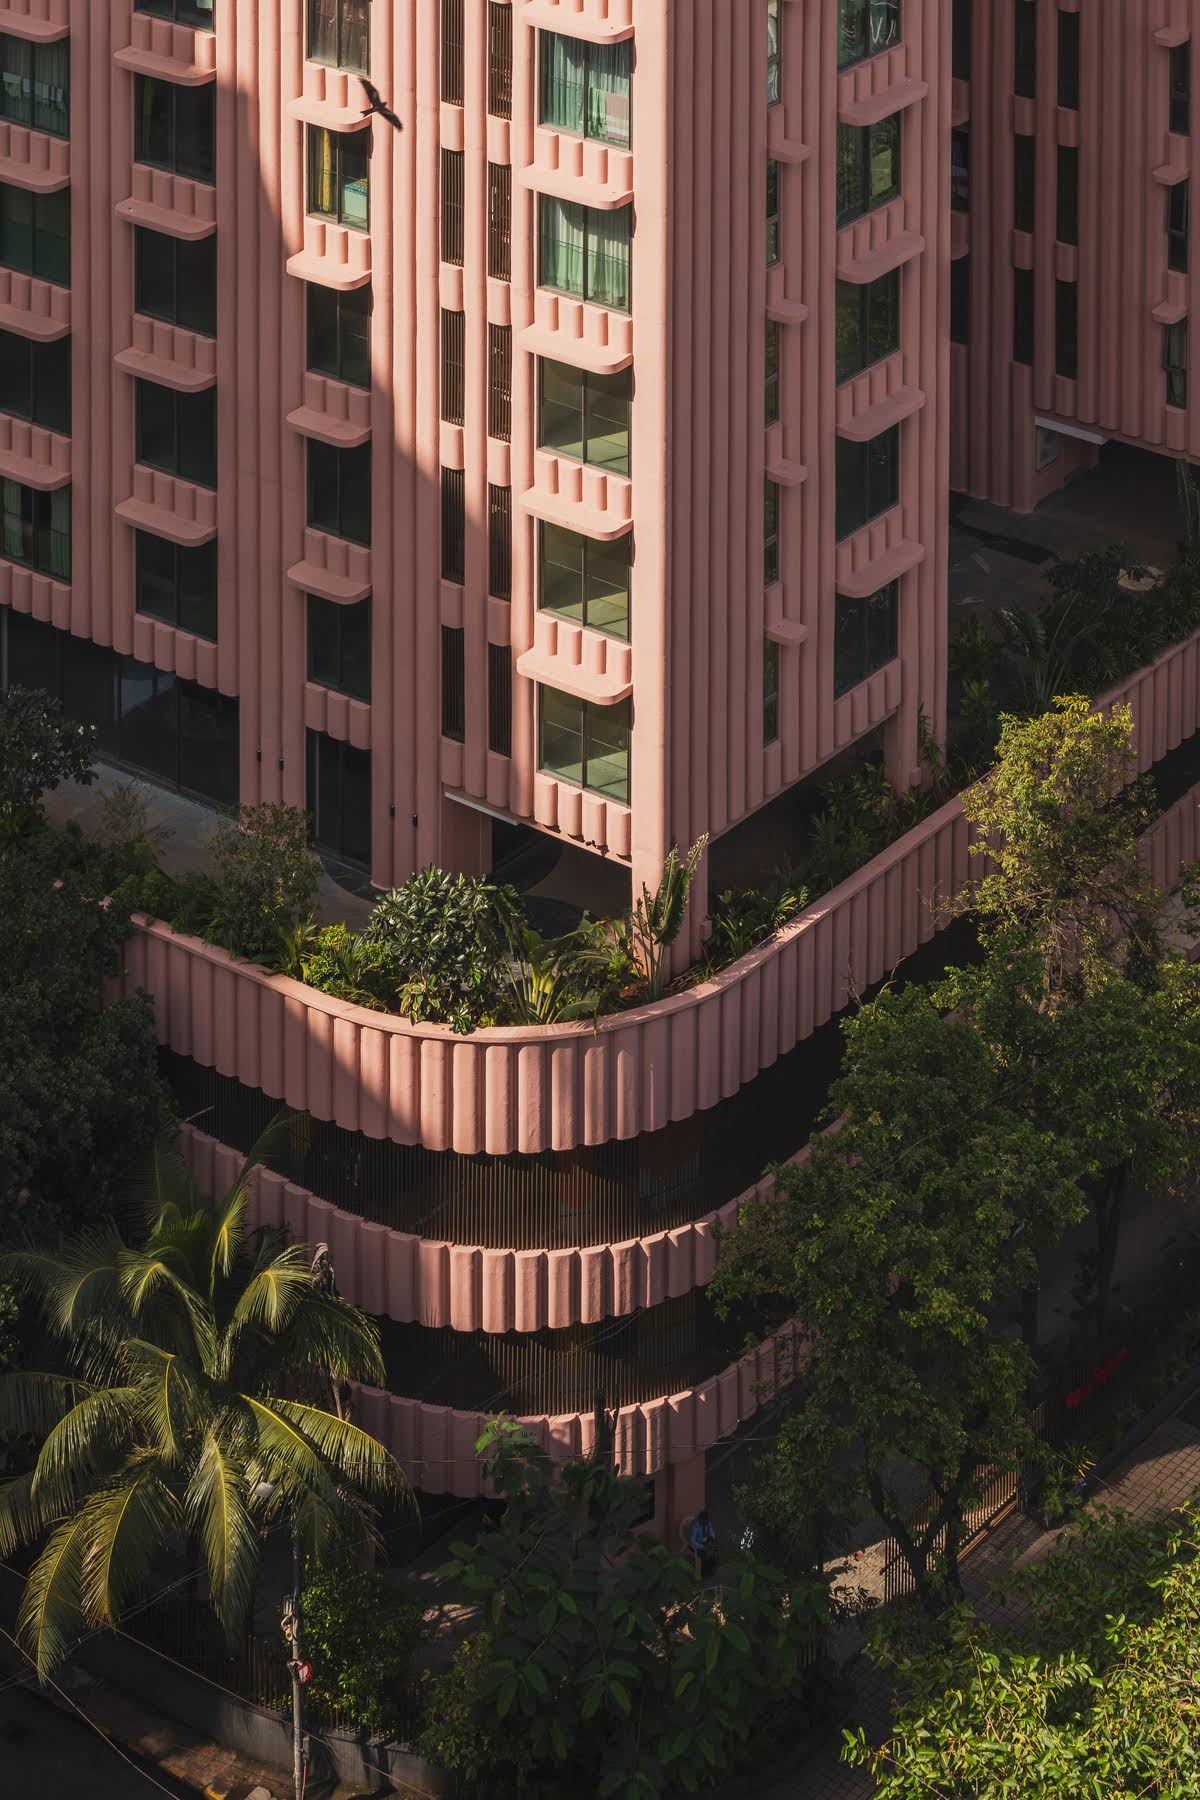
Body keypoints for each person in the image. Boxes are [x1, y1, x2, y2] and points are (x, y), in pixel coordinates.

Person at [688, 1509, 718, 1578]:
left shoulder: (708, 1522)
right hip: (696, 1544)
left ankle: (711, 1569)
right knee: (704, 1553)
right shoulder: (694, 1525)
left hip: (704, 1542)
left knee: (715, 1551)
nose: (706, 1524)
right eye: (704, 1522)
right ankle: (703, 1573)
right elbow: (692, 1541)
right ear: (700, 1519)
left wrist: (711, 1539)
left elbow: (712, 1533)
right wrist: (702, 1547)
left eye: (707, 1522)